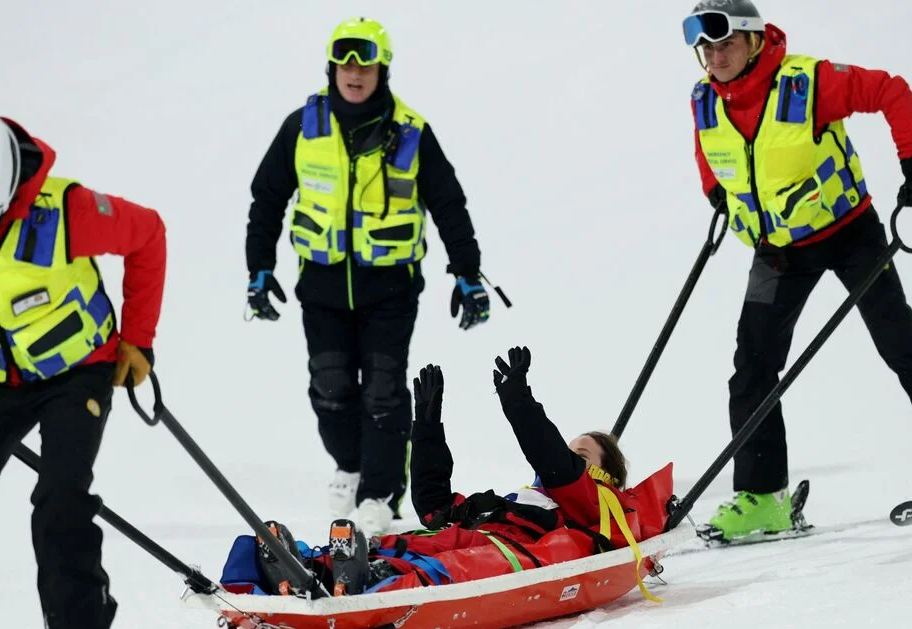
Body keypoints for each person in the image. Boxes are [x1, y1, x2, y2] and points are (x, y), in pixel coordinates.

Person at [680, 0, 912, 541]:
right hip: (777, 250)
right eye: (706, 48)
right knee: (752, 367)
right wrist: (716, 193)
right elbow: (708, 151)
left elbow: (890, 91)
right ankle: (763, 498)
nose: (716, 57)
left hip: (849, 232)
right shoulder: (704, 100)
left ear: (755, 40)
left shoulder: (807, 83)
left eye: (727, 43)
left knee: (899, 341)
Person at [0, 112, 167, 629]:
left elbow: (148, 235)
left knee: (60, 509)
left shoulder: (64, 210)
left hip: (75, 375)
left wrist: (137, 339)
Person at [243, 16, 494, 536]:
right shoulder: (302, 127)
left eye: (366, 63)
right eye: (346, 62)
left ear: (383, 69)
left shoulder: (411, 133)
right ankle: (352, 466)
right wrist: (259, 267)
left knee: (383, 390)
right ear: (332, 67)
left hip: (390, 289)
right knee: (330, 387)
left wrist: (467, 274)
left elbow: (448, 204)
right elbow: (267, 197)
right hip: (322, 284)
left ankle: (380, 493)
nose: (355, 73)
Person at [252, 348, 674, 597]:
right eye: (569, 452)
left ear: (606, 477)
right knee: (426, 540)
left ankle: (372, 580)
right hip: (487, 536)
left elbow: (556, 466)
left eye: (581, 455)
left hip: (520, 558)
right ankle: (315, 568)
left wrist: (519, 405)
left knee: (463, 562)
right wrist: (428, 428)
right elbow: (436, 508)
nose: (569, 458)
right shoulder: (522, 503)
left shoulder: (603, 508)